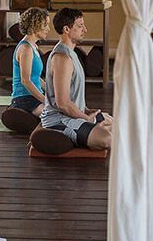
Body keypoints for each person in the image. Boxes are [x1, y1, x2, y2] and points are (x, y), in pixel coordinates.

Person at [39, 8, 112, 151]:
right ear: (67, 29)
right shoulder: (62, 58)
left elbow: (72, 96)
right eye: (80, 26)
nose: (85, 29)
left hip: (75, 116)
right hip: (59, 120)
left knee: (114, 123)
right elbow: (63, 104)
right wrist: (87, 118)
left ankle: (90, 129)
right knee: (107, 139)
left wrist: (87, 110)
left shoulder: (71, 54)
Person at [10, 7, 50, 116]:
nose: (48, 29)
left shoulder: (33, 46)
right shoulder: (26, 49)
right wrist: (46, 101)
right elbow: (26, 81)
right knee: (57, 114)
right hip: (25, 100)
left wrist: (51, 92)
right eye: (45, 25)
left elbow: (35, 77)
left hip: (35, 96)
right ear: (35, 25)